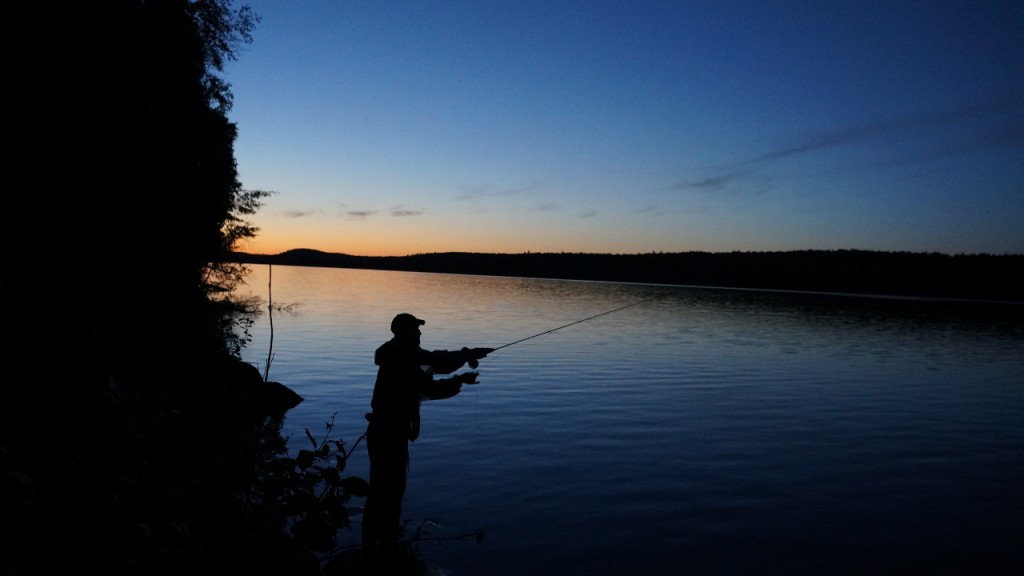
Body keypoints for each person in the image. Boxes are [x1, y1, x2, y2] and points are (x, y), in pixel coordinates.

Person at [361, 312, 493, 555]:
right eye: (416, 329)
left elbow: (427, 386)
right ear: (404, 332)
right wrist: (466, 355)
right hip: (388, 433)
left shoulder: (400, 357)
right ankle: (380, 545)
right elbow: (436, 361)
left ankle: (377, 541)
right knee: (388, 489)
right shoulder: (404, 353)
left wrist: (460, 379)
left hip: (387, 432)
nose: (420, 334)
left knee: (386, 488)